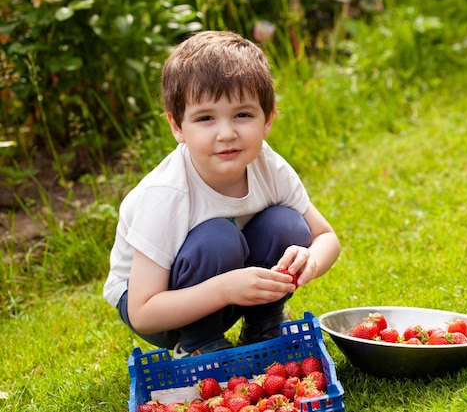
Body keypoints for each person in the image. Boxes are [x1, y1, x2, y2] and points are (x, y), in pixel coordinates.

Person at [103, 30, 340, 358]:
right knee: (217, 237)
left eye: (242, 115)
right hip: (156, 306)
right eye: (205, 118)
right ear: (177, 127)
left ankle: (264, 323)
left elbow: (326, 236)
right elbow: (144, 312)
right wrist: (225, 288)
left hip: (233, 282)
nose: (226, 133)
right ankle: (198, 343)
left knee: (287, 225)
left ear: (268, 119)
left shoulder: (267, 165)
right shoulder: (166, 194)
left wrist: (310, 259)